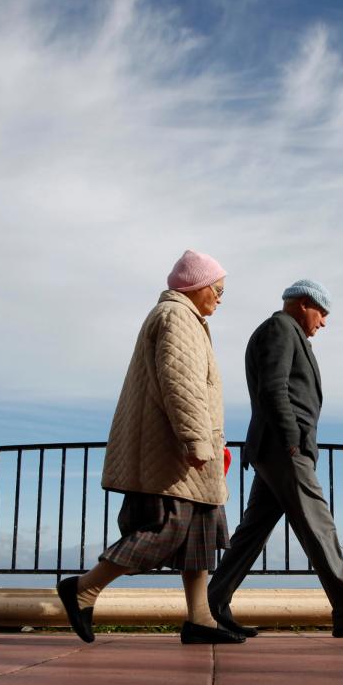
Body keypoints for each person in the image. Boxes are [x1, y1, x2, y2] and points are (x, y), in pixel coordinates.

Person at [55, 249, 243, 645]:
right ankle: (83, 589)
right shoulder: (178, 318)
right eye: (218, 290)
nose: (221, 299)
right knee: (163, 529)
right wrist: (196, 440)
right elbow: (182, 385)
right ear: (197, 286)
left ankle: (200, 620)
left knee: (198, 534)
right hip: (174, 452)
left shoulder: (185, 319)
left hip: (180, 448)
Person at [207, 280, 343, 638]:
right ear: (304, 304)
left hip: (274, 448)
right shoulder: (280, 328)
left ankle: (210, 609)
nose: (323, 322)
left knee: (251, 534)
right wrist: (293, 439)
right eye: (322, 312)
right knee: (319, 527)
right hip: (283, 449)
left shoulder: (287, 331)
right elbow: (273, 388)